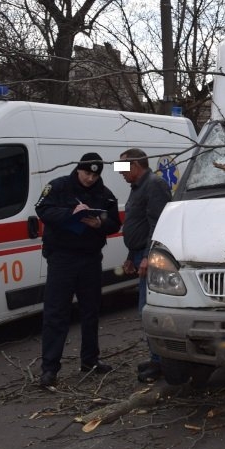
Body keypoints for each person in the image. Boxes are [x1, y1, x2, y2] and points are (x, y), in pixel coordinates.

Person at [35, 152, 121, 387]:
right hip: (62, 259)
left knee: (91, 311)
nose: (90, 178)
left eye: (95, 174)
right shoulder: (60, 186)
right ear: (78, 169)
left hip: (90, 259)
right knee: (56, 314)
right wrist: (70, 214)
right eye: (87, 173)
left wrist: (100, 223)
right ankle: (50, 369)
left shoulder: (104, 194)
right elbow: (42, 210)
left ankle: (90, 360)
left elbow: (115, 222)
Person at [118, 148, 172, 382]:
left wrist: (149, 256)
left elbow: (158, 224)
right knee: (144, 310)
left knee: (148, 310)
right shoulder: (138, 187)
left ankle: (161, 362)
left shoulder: (154, 184)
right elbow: (137, 223)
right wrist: (132, 255)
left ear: (135, 165)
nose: (120, 173)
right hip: (141, 252)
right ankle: (156, 358)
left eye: (123, 168)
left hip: (152, 255)